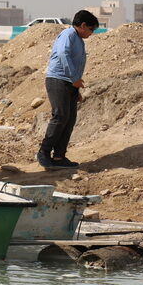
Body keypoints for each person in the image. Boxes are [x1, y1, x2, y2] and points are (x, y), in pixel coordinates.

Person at [37, 10, 100, 169]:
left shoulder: (79, 40)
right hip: (58, 80)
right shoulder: (68, 34)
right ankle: (44, 152)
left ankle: (59, 157)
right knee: (60, 116)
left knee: (69, 120)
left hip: (70, 84)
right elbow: (63, 54)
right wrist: (74, 79)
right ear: (83, 25)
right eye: (91, 29)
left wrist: (76, 89)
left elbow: (75, 64)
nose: (91, 34)